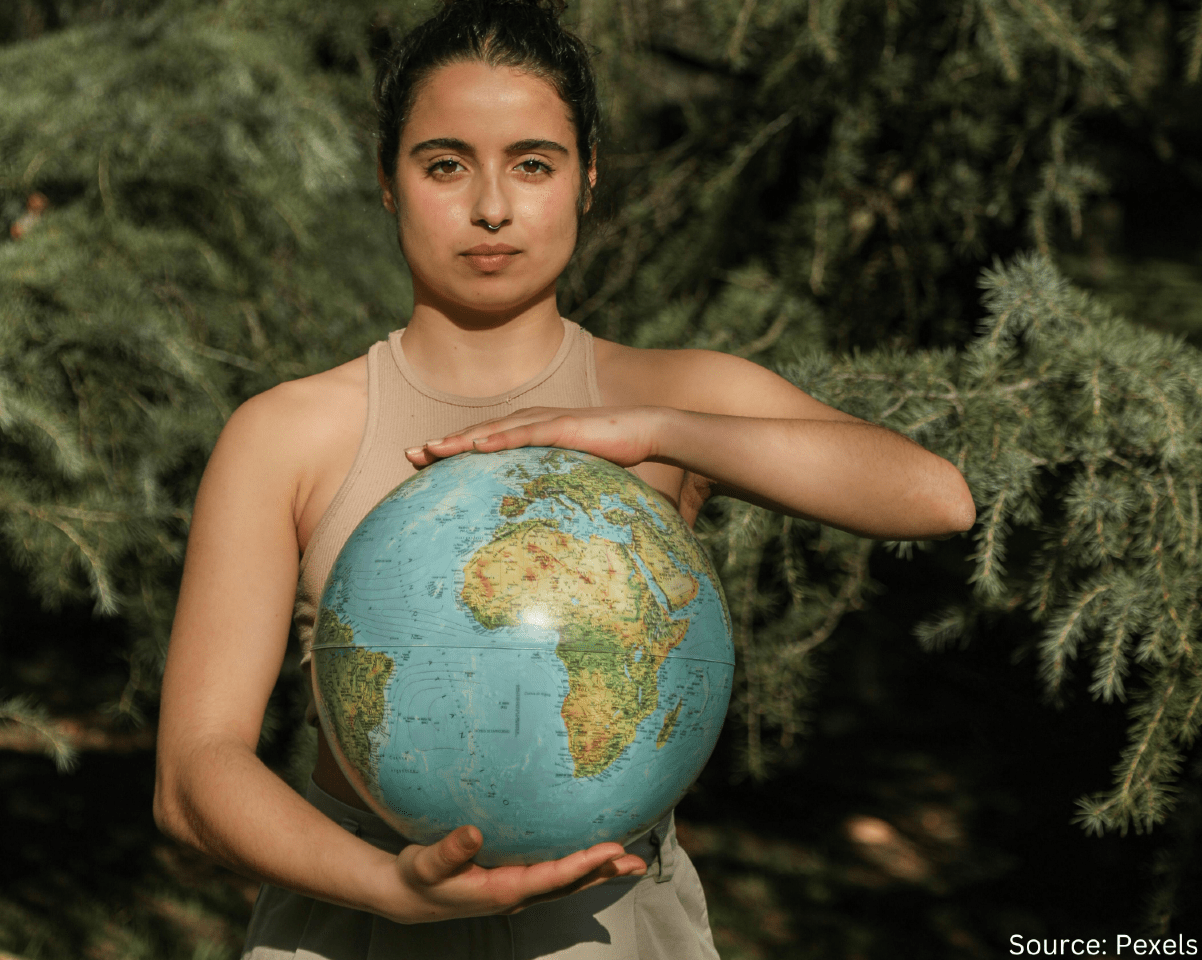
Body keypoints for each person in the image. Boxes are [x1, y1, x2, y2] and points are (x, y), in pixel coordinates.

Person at [152, 0, 977, 956]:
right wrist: (387, 887)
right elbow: (192, 772)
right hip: (357, 923)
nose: (492, 207)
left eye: (534, 163)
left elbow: (934, 496)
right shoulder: (286, 433)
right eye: (446, 164)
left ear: (588, 182)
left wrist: (658, 429)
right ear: (388, 183)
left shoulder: (669, 397)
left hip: (611, 930)